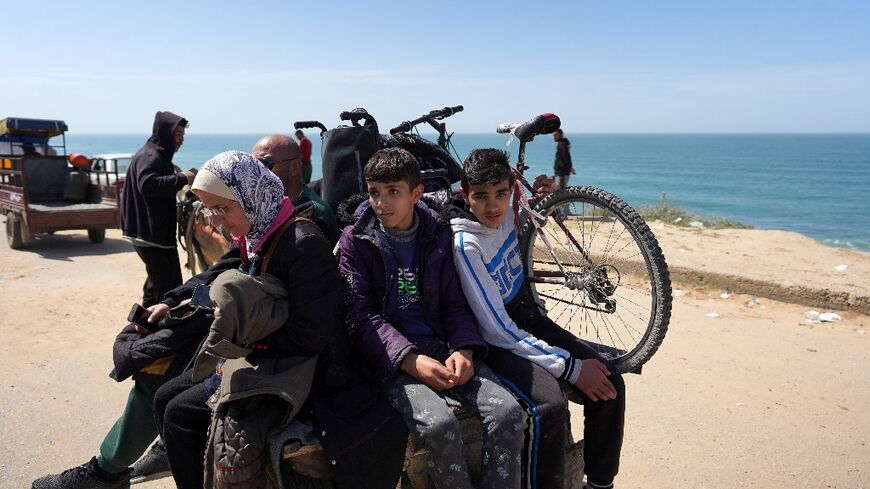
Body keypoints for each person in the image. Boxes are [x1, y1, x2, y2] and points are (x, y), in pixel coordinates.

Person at [338, 147, 525, 489]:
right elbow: (360, 316)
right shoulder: (357, 240)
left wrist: (464, 349)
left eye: (393, 191)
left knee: (508, 413)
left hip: (442, 347)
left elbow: (454, 301)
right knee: (440, 426)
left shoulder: (437, 233)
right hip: (392, 363)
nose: (381, 203)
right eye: (374, 192)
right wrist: (409, 360)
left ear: (416, 193)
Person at [153, 151, 341, 489]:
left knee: (179, 414)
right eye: (210, 209)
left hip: (289, 365)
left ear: (250, 195)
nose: (216, 221)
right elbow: (242, 291)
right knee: (163, 397)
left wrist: (245, 344)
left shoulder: (302, 244)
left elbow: (311, 333)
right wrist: (194, 302)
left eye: (223, 209)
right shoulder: (257, 235)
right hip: (257, 351)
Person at [450, 148, 625, 489]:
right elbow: (496, 329)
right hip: (495, 338)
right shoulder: (466, 245)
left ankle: (599, 484)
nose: (493, 206)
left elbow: (531, 209)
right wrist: (571, 368)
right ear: (466, 195)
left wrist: (545, 196)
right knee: (548, 406)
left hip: (525, 315)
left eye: (500, 194)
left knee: (611, 384)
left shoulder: (508, 206)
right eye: (481, 197)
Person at [121, 111, 196, 307]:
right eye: (177, 134)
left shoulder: (153, 154)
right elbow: (147, 184)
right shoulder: (151, 156)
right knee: (169, 290)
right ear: (165, 133)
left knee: (155, 285)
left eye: (183, 135)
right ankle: (159, 325)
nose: (181, 139)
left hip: (149, 235)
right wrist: (184, 177)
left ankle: (141, 321)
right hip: (153, 237)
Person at [252, 134, 339, 245]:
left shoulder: (309, 216)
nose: (256, 174)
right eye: (253, 166)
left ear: (294, 167)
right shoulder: (275, 206)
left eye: (264, 164)